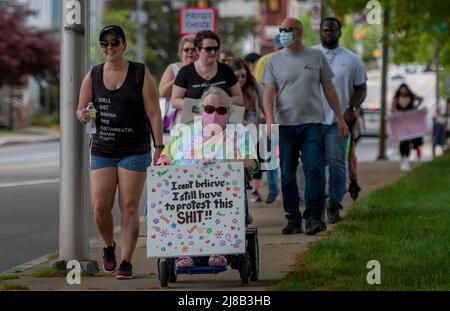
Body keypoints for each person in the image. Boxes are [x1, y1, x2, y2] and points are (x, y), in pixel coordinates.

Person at [76, 25, 163, 280]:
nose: (110, 48)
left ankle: (126, 260)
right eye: (105, 44)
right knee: (100, 207)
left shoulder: (139, 72)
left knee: (129, 205)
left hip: (134, 148)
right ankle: (108, 247)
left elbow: (154, 113)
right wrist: (82, 114)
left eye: (115, 42)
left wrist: (159, 147)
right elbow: (81, 109)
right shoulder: (93, 75)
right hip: (103, 147)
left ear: (124, 45)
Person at [157, 87, 258, 268]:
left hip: (223, 194)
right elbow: (166, 156)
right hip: (187, 193)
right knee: (183, 206)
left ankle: (218, 249)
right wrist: (163, 163)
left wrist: (223, 162)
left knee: (217, 205)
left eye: (221, 110)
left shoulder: (239, 133)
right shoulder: (185, 132)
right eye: (209, 109)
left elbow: (251, 162)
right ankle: (185, 252)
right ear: (201, 110)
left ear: (229, 113)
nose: (214, 114)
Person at [263, 18, 347, 235]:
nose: (283, 33)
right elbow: (269, 92)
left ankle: (312, 217)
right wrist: (270, 119)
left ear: (298, 32)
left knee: (313, 169)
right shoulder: (274, 61)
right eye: (281, 30)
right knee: (288, 172)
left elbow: (329, 89)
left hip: (312, 124)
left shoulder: (316, 57)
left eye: (287, 30)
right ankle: (292, 218)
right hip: (286, 126)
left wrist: (340, 117)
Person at [313, 17, 367, 222]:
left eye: (333, 30)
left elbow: (361, 88)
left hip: (339, 121)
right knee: (314, 165)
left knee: (336, 163)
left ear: (340, 32)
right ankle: (315, 206)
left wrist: (352, 107)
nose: (329, 33)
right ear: (320, 31)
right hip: (313, 120)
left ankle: (334, 204)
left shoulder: (353, 59)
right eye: (325, 29)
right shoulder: (310, 55)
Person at [171, 30, 243, 109]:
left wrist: (220, 101)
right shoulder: (185, 72)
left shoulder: (226, 70)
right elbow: (175, 101)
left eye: (215, 49)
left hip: (223, 119)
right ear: (198, 50)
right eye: (208, 49)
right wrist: (200, 104)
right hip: (194, 119)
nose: (213, 52)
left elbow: (239, 99)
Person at [228, 58, 265, 203]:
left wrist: (267, 119)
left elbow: (266, 107)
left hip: (253, 136)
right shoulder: (226, 90)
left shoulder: (255, 88)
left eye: (243, 75)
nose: (241, 79)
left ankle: (252, 193)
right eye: (237, 76)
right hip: (233, 139)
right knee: (237, 172)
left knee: (253, 168)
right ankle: (239, 201)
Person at [159, 35, 197, 132]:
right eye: (186, 49)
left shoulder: (203, 70)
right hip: (176, 122)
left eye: (193, 49)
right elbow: (162, 92)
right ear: (181, 52)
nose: (190, 52)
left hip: (197, 119)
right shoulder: (173, 68)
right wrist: (178, 77)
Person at [391, 83, 424, 171]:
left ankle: (407, 159)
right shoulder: (396, 98)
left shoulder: (412, 97)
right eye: (402, 88)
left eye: (405, 88)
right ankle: (403, 159)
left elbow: (421, 99)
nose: (403, 90)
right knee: (402, 141)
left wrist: (415, 107)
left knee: (409, 141)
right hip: (401, 122)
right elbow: (393, 109)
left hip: (410, 122)